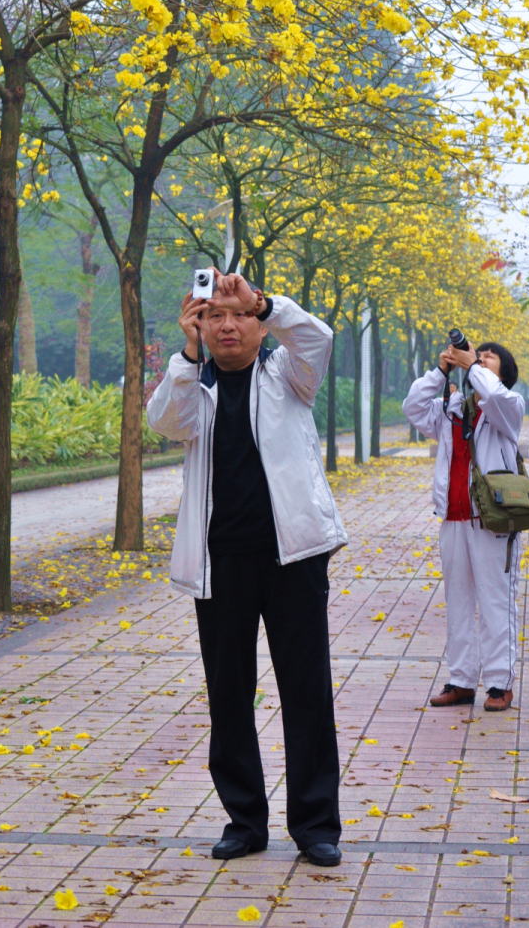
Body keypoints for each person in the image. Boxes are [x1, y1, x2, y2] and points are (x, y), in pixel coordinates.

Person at [146, 270, 347, 867]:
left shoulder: (289, 374)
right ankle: (244, 820)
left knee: (306, 690)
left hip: (293, 557)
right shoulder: (193, 384)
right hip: (221, 563)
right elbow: (164, 421)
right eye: (214, 316)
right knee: (228, 695)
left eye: (239, 315)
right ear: (200, 326)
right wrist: (187, 355)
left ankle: (315, 826)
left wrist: (266, 301)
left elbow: (318, 338)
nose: (228, 325)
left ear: (260, 325)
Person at [402, 339, 524, 713]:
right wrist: (440, 372)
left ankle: (500, 683)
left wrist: (472, 366)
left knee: (494, 602)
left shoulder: (508, 408)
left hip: (493, 522)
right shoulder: (454, 408)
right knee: (457, 605)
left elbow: (496, 397)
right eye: (477, 354)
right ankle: (461, 681)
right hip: (454, 519)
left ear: (503, 374)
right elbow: (413, 408)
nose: (479, 359)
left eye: (489, 358)